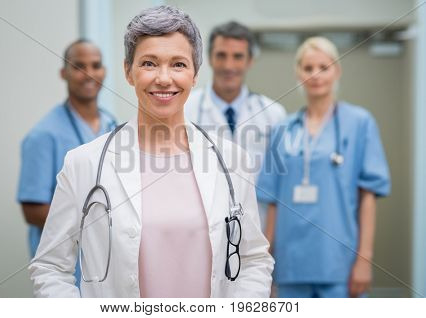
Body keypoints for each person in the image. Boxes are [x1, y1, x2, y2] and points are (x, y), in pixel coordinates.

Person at [29, 5, 273, 298]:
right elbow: (51, 266)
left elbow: (254, 259)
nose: (164, 78)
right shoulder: (84, 163)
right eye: (149, 63)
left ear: (195, 74)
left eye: (179, 64)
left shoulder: (232, 161)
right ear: (128, 72)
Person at [256, 37, 391, 298]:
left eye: (323, 67)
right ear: (298, 73)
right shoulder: (283, 129)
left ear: (336, 71)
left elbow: (368, 197)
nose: (315, 75)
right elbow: (272, 201)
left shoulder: (360, 123)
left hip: (339, 263)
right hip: (291, 263)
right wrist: (266, 264)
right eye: (308, 68)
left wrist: (364, 260)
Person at [17, 39, 117, 286]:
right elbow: (32, 211)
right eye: (78, 66)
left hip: (109, 265)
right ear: (64, 73)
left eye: (95, 65)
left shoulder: (113, 126)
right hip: (67, 271)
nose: (89, 74)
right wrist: (94, 228)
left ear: (104, 71)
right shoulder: (43, 135)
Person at [185, 21, 286, 227]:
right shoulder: (186, 110)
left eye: (238, 56)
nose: (229, 66)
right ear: (209, 59)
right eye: (221, 55)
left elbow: (279, 184)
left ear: (250, 61)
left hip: (257, 225)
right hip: (201, 226)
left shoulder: (273, 114)